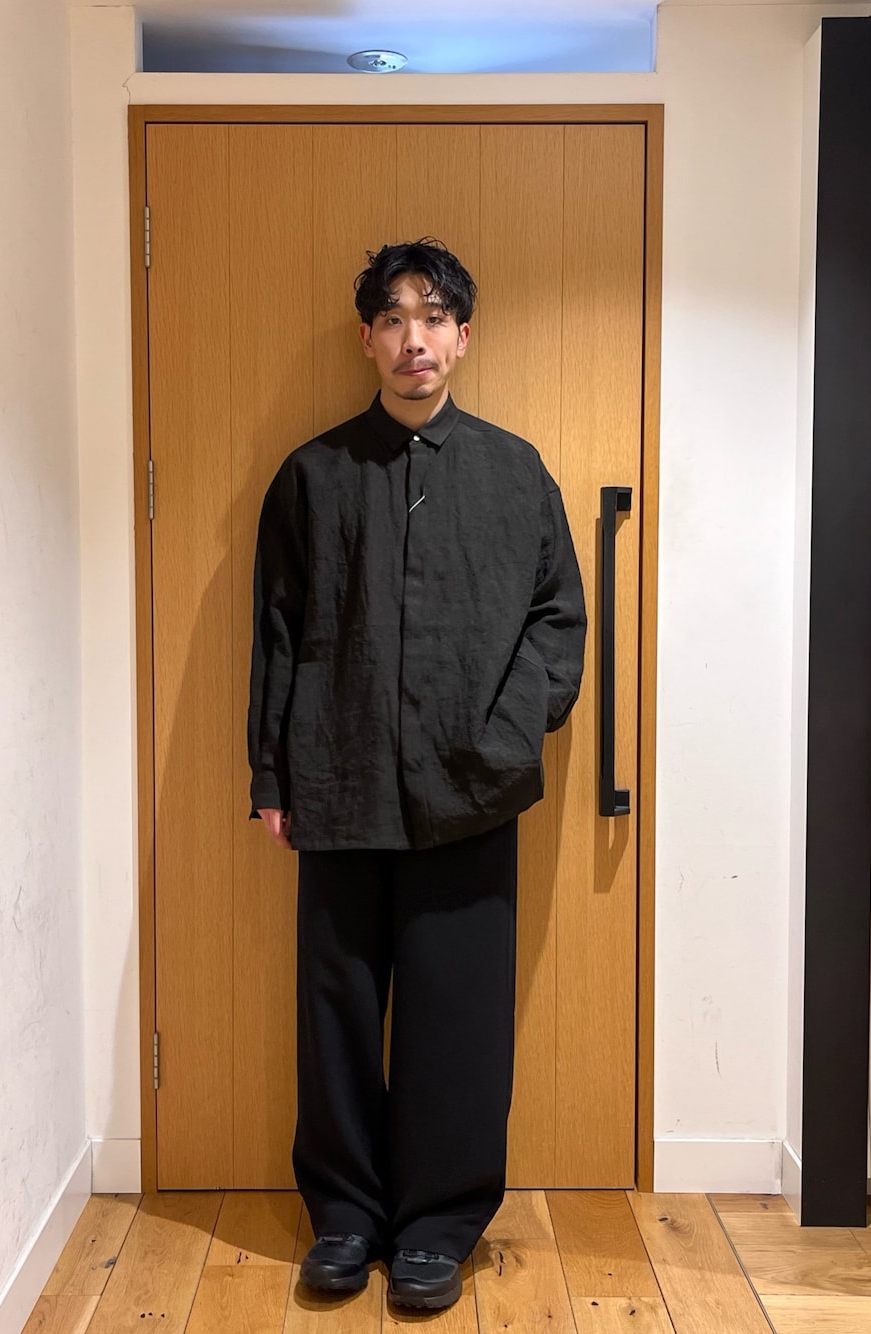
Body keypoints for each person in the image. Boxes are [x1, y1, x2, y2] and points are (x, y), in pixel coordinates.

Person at [247, 238, 587, 1311]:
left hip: (471, 790)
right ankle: (346, 1217)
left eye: (433, 317)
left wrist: (510, 732)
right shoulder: (312, 475)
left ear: (463, 336)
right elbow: (276, 633)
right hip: (337, 779)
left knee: (458, 1016)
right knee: (337, 1012)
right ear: (367, 338)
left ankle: (439, 1224)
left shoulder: (515, 472)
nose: (413, 340)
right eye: (393, 318)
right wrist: (272, 774)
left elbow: (559, 620)